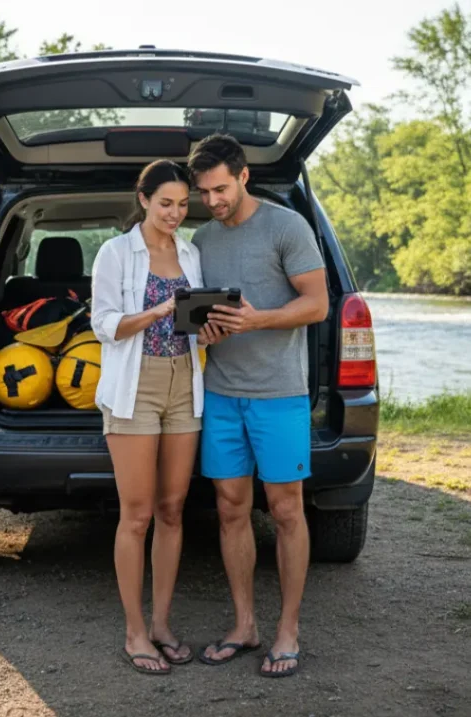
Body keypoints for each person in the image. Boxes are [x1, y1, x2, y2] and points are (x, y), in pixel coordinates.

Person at [188, 134, 329, 678]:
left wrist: (257, 319)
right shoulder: (201, 237)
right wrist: (207, 333)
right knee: (229, 509)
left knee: (287, 510)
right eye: (204, 192)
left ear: (244, 176)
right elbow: (201, 315)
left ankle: (287, 631)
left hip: (279, 394)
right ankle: (245, 625)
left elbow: (317, 305)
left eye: (220, 188)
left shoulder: (286, 226)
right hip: (222, 393)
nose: (213, 201)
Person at [90, 159, 224, 675]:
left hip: (183, 383)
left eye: (183, 204)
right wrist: (157, 312)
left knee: (173, 509)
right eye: (165, 203)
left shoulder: (190, 252)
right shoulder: (116, 252)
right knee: (138, 514)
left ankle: (163, 623)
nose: (175, 213)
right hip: (135, 385)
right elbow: (103, 323)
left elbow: (193, 324)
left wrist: (206, 329)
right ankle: (135, 631)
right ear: (143, 199)